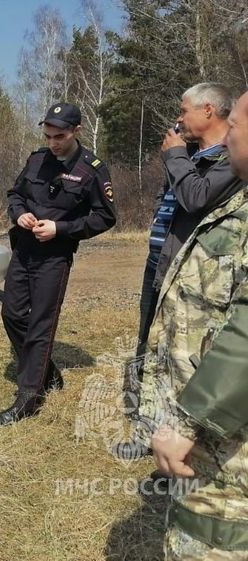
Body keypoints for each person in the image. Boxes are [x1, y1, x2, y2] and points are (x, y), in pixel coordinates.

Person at [137, 90, 248, 560]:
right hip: (212, 434)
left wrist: (189, 422)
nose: (230, 136)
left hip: (223, 437)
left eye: (237, 126)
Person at [115, 82, 242, 461]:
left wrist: (174, 158)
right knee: (150, 346)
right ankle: (146, 429)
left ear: (208, 111)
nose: (178, 118)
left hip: (195, 275)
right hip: (160, 262)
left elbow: (195, 197)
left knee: (182, 356)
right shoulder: (188, 154)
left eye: (184, 109)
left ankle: (183, 437)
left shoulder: (230, 161)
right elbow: (171, 201)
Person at [0, 102, 116, 427]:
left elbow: (105, 216)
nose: (53, 143)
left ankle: (29, 398)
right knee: (12, 314)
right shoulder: (36, 159)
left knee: (41, 325)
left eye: (59, 136)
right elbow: (15, 194)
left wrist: (61, 228)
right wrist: (19, 214)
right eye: (48, 135)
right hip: (24, 249)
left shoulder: (92, 169)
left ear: (76, 131)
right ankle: (47, 373)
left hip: (54, 256)